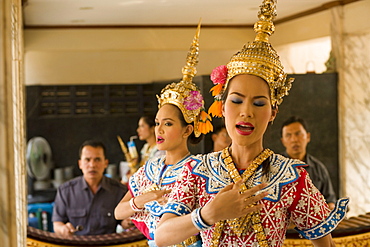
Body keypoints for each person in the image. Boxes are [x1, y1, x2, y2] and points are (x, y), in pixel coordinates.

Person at [155, 1, 348, 246]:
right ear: (222, 107)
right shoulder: (197, 171)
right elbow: (161, 236)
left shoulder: (290, 176)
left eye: (258, 104)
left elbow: (326, 244)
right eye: (236, 101)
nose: (246, 112)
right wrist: (208, 214)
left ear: (272, 113)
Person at [114, 22, 212, 247]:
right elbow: (119, 211)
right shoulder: (150, 169)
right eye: (157, 123)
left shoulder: (200, 168)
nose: (158, 130)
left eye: (167, 124)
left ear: (187, 129)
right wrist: (143, 199)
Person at [52, 140, 128, 237]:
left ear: (106, 163)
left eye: (97, 159)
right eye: (87, 160)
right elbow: (57, 223)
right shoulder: (65, 191)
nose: (92, 165)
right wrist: (63, 229)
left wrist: (128, 222)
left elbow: (124, 222)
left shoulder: (119, 190)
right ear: (80, 164)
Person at [280, 116, 337, 210]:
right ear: (283, 141)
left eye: (298, 134)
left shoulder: (319, 168)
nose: (294, 139)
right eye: (288, 135)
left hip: (315, 223)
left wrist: (331, 209)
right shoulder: (274, 167)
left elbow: (330, 200)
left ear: (308, 137)